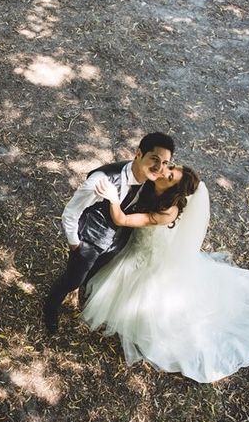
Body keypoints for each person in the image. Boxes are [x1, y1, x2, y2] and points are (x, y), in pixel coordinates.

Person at [83, 165, 249, 383]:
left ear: (174, 190)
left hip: (147, 258)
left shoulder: (168, 211)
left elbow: (123, 220)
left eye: (170, 176)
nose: (165, 170)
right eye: (171, 167)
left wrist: (112, 198)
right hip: (135, 246)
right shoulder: (154, 180)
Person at [43, 132, 176, 335]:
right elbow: (70, 212)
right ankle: (50, 307)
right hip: (89, 241)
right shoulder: (102, 181)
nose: (159, 168)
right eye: (154, 159)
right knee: (72, 279)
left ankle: (80, 289)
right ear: (139, 153)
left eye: (165, 162)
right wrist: (75, 244)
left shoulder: (153, 181)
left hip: (115, 243)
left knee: (92, 274)